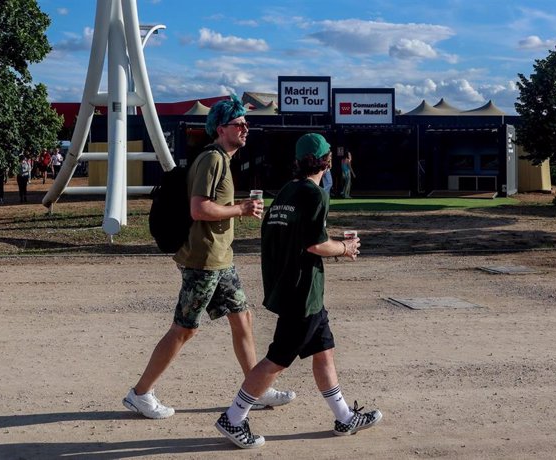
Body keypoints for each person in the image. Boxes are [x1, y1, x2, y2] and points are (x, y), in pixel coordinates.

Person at [122, 95, 295, 420]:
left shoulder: (222, 160)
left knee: (242, 317)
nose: (246, 128)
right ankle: (141, 393)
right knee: (184, 329)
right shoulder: (212, 159)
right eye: (239, 123)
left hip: (221, 258)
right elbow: (198, 208)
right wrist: (241, 209)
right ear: (221, 128)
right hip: (202, 260)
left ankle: (255, 389)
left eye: (246, 123)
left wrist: (238, 208)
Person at [215, 133, 382, 449]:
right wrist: (344, 248)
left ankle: (344, 416)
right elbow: (314, 244)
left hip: (299, 290)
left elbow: (288, 239)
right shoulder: (314, 194)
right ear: (325, 160)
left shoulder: (286, 192)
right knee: (277, 359)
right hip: (301, 293)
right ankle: (233, 417)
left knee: (324, 350)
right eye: (330, 155)